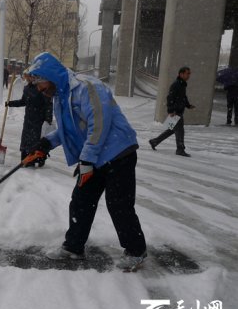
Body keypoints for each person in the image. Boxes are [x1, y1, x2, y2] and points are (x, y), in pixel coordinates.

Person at [23, 52, 147, 270]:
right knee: (81, 201)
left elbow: (98, 125)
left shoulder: (87, 87)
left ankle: (136, 251)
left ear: (50, 76)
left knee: (118, 204)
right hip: (94, 156)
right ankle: (73, 247)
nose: (41, 92)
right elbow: (68, 130)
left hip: (119, 153)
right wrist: (45, 144)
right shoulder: (60, 97)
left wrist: (86, 160)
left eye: (42, 86)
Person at [6, 73, 53, 167]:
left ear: (35, 77)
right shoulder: (27, 88)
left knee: (36, 141)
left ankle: (37, 159)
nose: (28, 79)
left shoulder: (41, 87)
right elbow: (23, 101)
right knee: (26, 141)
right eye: (27, 77)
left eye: (30, 77)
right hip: (28, 120)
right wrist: (10, 103)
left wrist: (48, 119)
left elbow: (48, 104)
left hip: (39, 120)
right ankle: (26, 160)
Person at [149, 66, 195, 157]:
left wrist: (188, 105)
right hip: (175, 111)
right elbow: (170, 98)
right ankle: (180, 149)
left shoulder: (182, 84)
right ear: (181, 74)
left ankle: (154, 141)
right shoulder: (176, 84)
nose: (189, 75)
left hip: (178, 110)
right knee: (180, 131)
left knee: (171, 130)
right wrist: (171, 110)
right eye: (187, 73)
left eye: (189, 73)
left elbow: (183, 98)